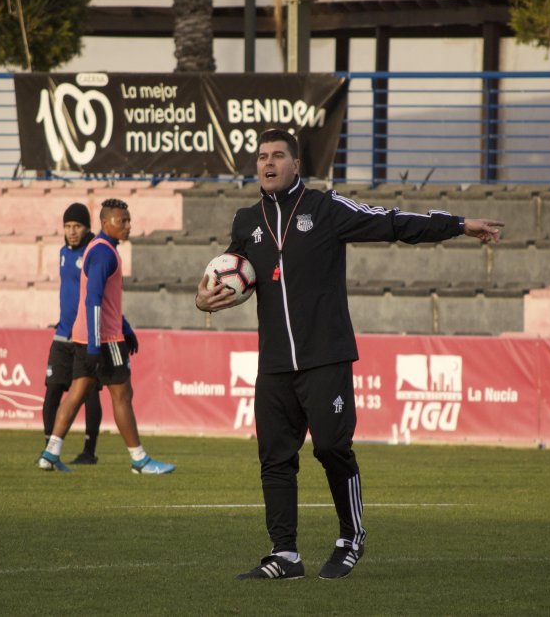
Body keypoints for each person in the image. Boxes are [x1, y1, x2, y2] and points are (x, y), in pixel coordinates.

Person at [194, 128, 504, 581]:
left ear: (297, 164)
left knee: (332, 447)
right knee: (275, 459)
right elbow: (224, 277)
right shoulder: (246, 221)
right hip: (275, 363)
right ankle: (284, 555)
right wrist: (202, 301)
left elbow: (394, 222)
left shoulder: (326, 209)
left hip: (326, 357)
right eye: (262, 156)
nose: (268, 163)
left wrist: (458, 225)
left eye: (278, 155)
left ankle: (350, 537)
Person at [38, 198, 175, 475]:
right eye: (121, 221)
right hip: (104, 340)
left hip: (88, 335)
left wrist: (126, 328)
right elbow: (94, 301)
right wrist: (96, 344)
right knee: (122, 395)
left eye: (128, 220)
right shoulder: (104, 253)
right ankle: (139, 460)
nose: (127, 225)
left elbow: (106, 302)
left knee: (76, 394)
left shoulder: (100, 249)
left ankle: (49, 453)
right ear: (104, 223)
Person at [36, 202, 104, 469]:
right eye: (68, 226)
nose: (72, 231)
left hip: (85, 335)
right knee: (52, 390)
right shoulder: (63, 252)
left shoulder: (93, 252)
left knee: (89, 392)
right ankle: (48, 448)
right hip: (63, 333)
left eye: (77, 226)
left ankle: (89, 450)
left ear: (87, 228)